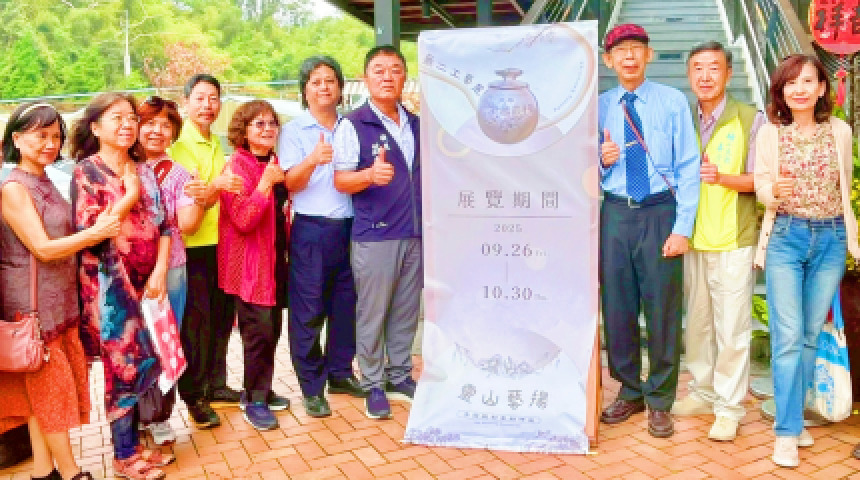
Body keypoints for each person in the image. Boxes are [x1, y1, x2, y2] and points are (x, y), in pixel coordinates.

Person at [0, 102, 120, 480]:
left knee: (42, 398)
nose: (50, 143)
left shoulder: (48, 179)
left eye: (56, 136)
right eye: (41, 135)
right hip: (33, 310)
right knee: (50, 394)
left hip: (59, 302)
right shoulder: (14, 188)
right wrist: (95, 233)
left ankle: (43, 470)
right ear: (17, 139)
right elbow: (43, 248)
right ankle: (71, 473)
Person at [753, 54, 860, 468]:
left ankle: (795, 420)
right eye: (790, 82)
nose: (799, 89)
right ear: (781, 91)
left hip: (830, 239)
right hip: (785, 237)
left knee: (811, 335)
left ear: (821, 88)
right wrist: (772, 191)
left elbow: (844, 184)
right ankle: (786, 432)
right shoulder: (770, 133)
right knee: (787, 336)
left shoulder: (840, 131)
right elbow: (761, 183)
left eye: (808, 81)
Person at [597, 24, 700, 438]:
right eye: (620, 50)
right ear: (608, 60)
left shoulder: (672, 101)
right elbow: (579, 165)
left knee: (662, 309)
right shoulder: (599, 105)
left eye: (636, 49)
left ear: (649, 55)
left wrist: (682, 226)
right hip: (615, 213)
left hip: (660, 212)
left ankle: (660, 399)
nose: (629, 56)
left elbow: (688, 166)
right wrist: (601, 159)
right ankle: (629, 390)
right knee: (617, 306)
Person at [70, 93, 174, 479]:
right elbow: (92, 231)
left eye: (131, 117)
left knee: (143, 363)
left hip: (147, 286)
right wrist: (129, 196)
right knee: (121, 368)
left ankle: (134, 446)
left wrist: (160, 271)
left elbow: (165, 224)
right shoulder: (87, 172)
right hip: (110, 289)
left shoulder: (142, 167)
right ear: (96, 128)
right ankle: (124, 456)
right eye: (117, 118)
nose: (128, 124)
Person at [671, 41, 766, 441]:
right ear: (689, 75)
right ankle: (702, 392)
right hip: (693, 239)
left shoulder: (750, 118)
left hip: (733, 239)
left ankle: (729, 408)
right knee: (698, 325)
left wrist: (721, 178)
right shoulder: (681, 119)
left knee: (732, 329)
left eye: (714, 68)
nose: (705, 76)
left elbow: (762, 180)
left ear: (729, 73)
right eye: (697, 68)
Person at [333, 45, 421, 420]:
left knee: (405, 310)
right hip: (375, 235)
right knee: (372, 312)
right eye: (379, 70)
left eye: (395, 70)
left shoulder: (416, 123)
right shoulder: (353, 124)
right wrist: (370, 175)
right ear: (366, 78)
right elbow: (340, 180)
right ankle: (372, 383)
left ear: (405, 78)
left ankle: (399, 376)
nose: (388, 77)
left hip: (414, 233)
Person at [280, 56, 364, 418]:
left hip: (350, 227)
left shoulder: (352, 126)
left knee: (346, 307)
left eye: (330, 80)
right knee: (308, 310)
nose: (324, 87)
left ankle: (340, 372)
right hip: (312, 229)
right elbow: (290, 184)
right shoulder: (294, 131)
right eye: (315, 82)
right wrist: (313, 159)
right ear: (305, 90)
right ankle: (312, 387)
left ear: (340, 88)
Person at [168, 75, 245, 428]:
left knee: (220, 319)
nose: (207, 105)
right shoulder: (176, 144)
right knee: (195, 326)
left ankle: (216, 385)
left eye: (213, 98)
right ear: (186, 102)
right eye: (199, 98)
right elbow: (195, 197)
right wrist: (216, 186)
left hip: (222, 244)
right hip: (191, 247)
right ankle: (194, 395)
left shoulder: (215, 141)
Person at [137, 95, 205, 445]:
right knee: (132, 345)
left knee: (164, 342)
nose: (157, 131)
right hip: (128, 271)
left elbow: (188, 225)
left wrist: (199, 197)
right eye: (149, 123)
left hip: (171, 269)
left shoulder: (179, 174)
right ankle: (133, 416)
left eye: (165, 126)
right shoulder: (121, 168)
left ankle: (160, 415)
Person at [218, 100, 285, 430]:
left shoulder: (272, 161)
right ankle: (254, 400)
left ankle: (263, 389)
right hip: (249, 266)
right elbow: (243, 219)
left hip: (275, 262)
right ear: (243, 131)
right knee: (257, 334)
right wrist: (265, 184)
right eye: (259, 124)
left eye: (272, 123)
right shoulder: (235, 168)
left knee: (272, 329)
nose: (267, 129)